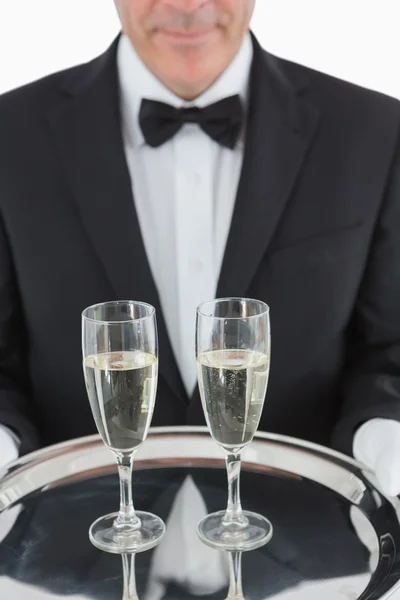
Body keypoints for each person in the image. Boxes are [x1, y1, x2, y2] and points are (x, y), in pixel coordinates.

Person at [0, 0, 399, 495]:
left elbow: (390, 351)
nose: (186, 5)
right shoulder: (9, 134)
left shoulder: (374, 131)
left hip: (309, 538)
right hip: (73, 539)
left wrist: (386, 439)